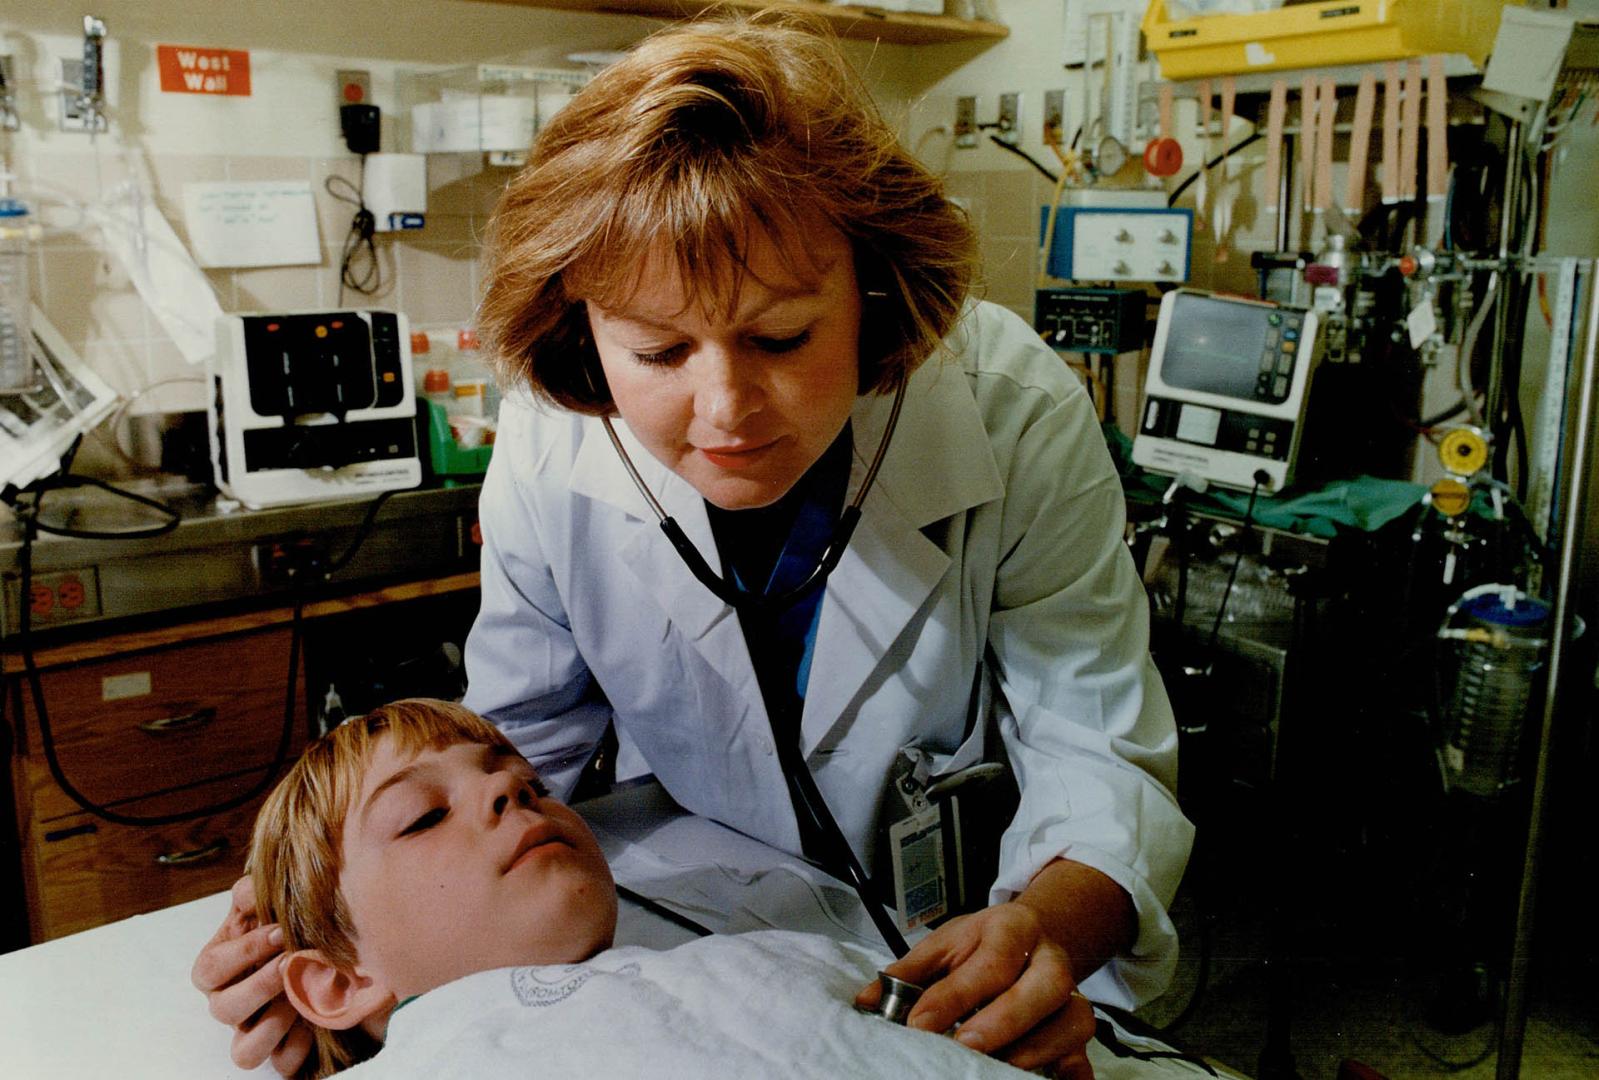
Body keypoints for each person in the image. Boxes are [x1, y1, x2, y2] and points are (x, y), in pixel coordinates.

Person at [194, 14, 1193, 1079]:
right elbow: (517, 746)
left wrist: (1047, 932)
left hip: (967, 961)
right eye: (659, 349)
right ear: (582, 331)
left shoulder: (1008, 408)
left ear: (872, 289)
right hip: (708, 955)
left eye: (781, 337)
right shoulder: (553, 441)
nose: (727, 410)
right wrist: (320, 931)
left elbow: (1096, 747)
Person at [241, 697, 1095, 1080]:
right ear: (338, 982)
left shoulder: (771, 963)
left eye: (530, 783)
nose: (509, 789)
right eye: (424, 816)